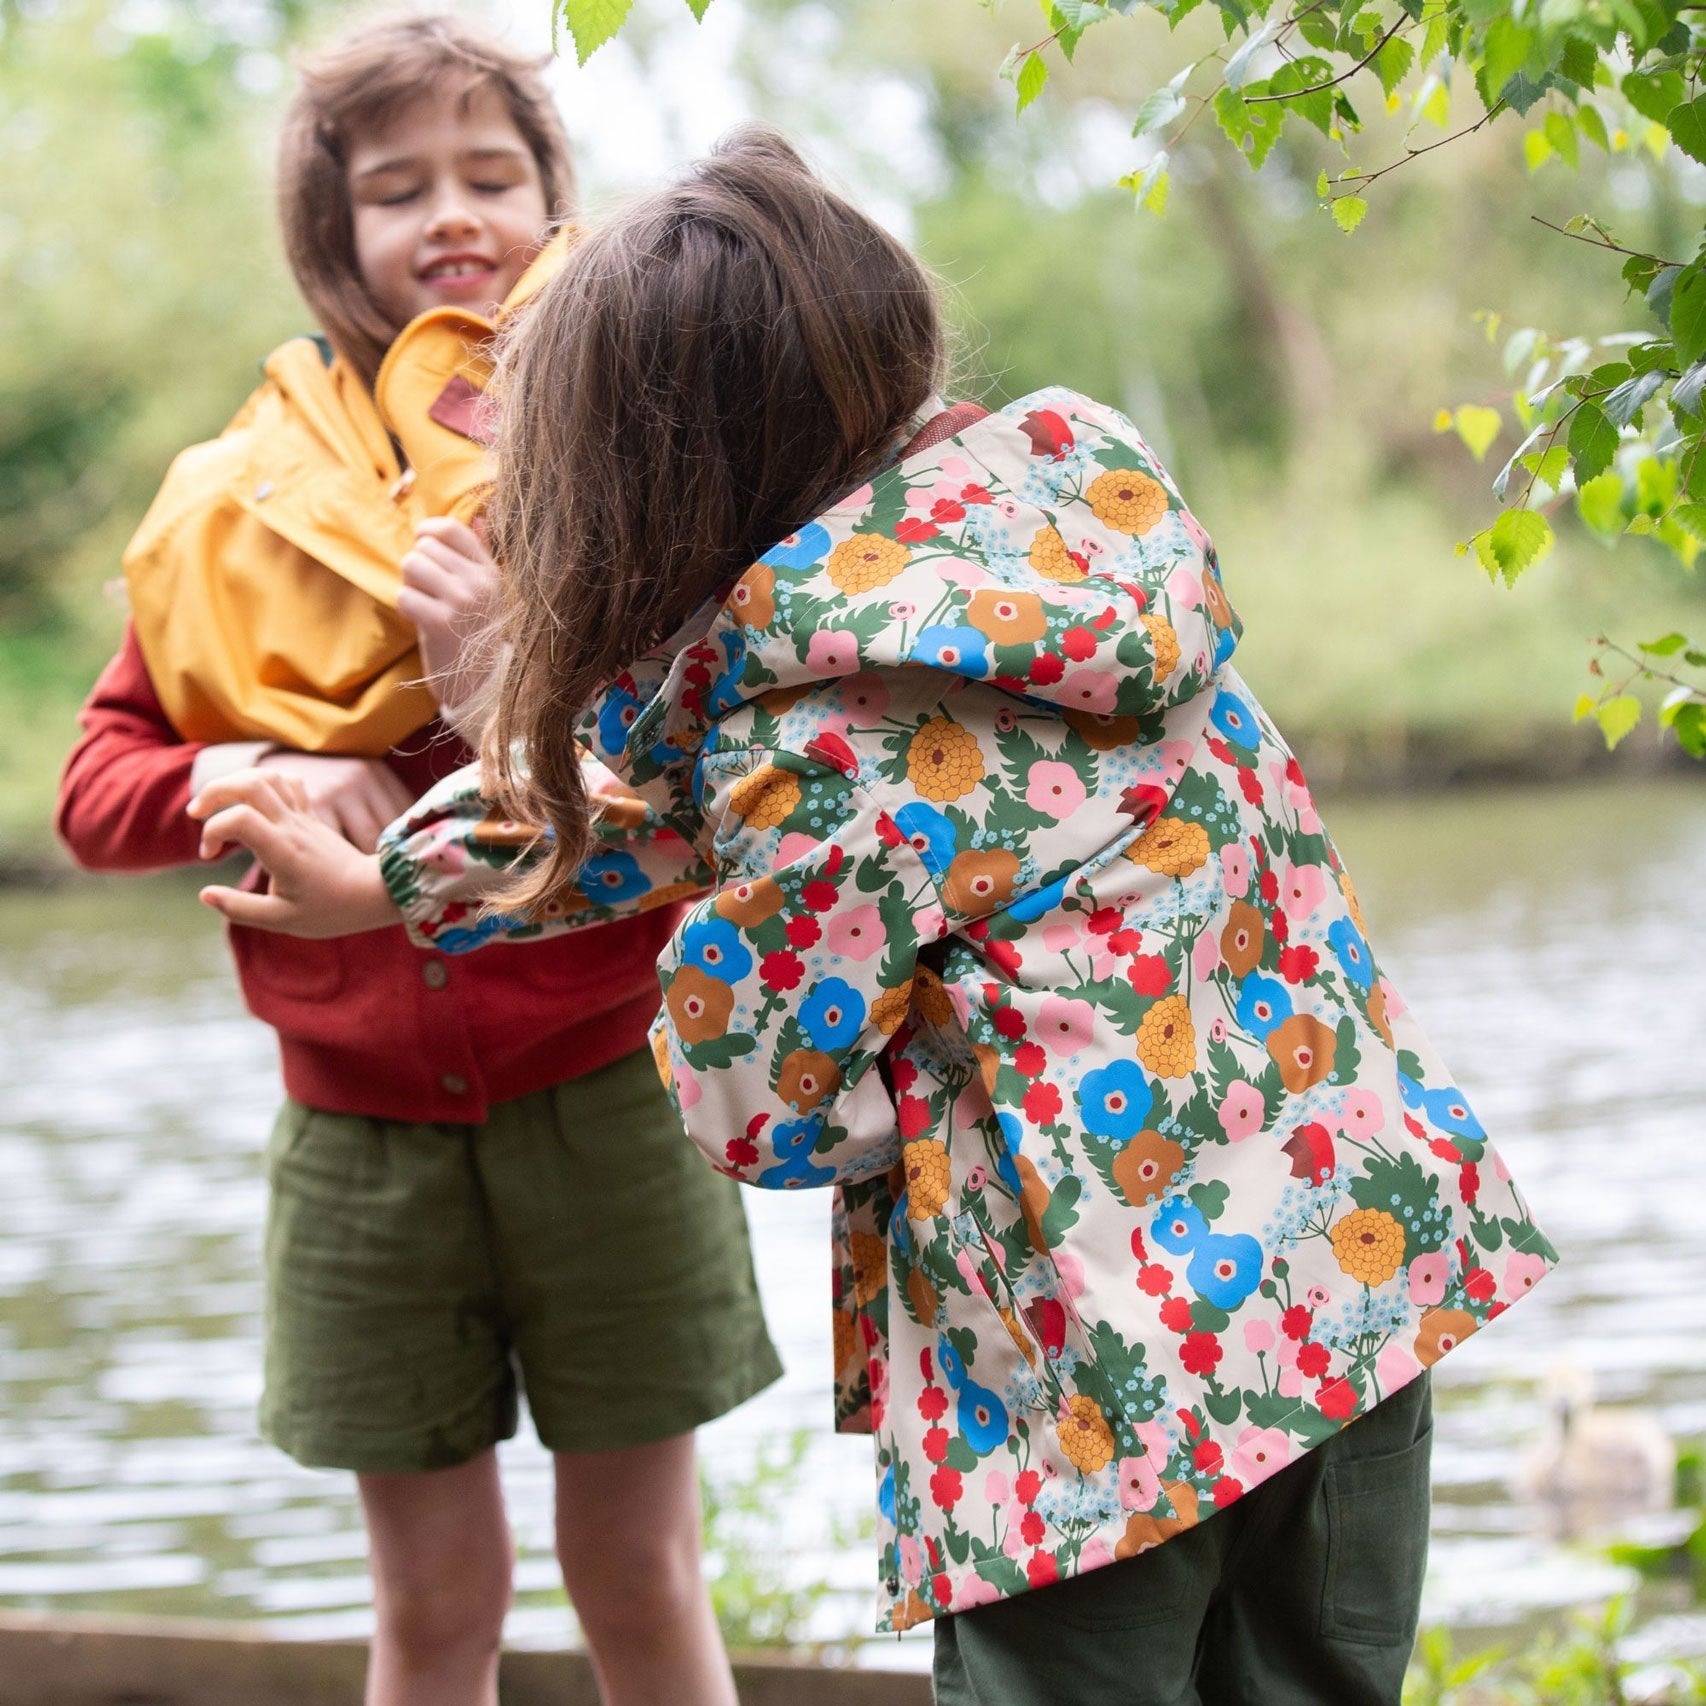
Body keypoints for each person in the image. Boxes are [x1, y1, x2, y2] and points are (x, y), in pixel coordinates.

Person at [193, 127, 1558, 1705]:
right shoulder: (1070, 535)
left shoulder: (809, 753)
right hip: (1344, 1287)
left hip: (1092, 1385)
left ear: (661, 484)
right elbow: (734, 793)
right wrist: (395, 881)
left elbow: (756, 1107)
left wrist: (540, 760)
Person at [55, 25, 781, 1706]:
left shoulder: (622, 454)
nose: (449, 216)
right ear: (331, 233)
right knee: (433, 1595)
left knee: (640, 1567)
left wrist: (518, 658)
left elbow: (700, 755)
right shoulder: (239, 503)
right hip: (356, 1120)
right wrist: (267, 761)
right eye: (397, 188)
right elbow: (98, 792)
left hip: (605, 1081)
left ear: (553, 198)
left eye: (490, 175)